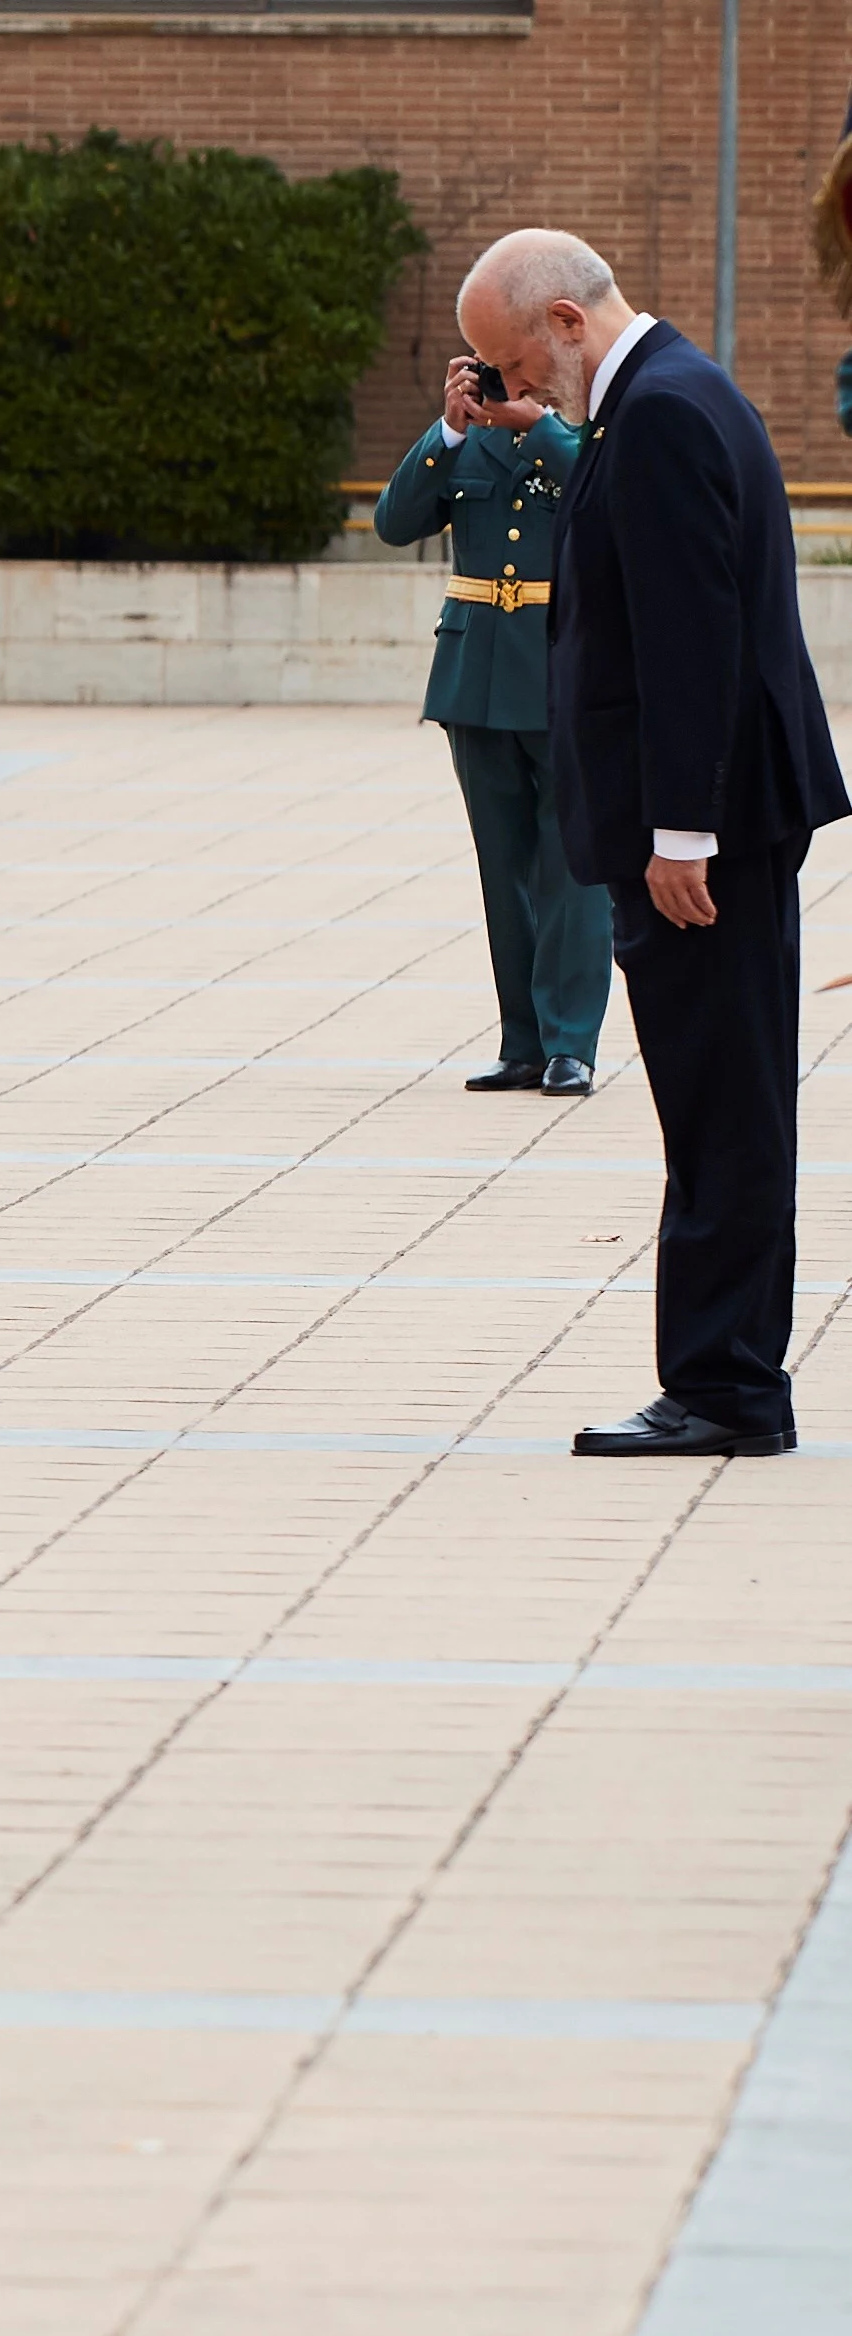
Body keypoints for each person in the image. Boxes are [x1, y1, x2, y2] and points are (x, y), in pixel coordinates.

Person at [457, 229, 849, 1458]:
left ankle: (725, 1388)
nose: (517, 387)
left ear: (567, 321)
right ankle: (720, 1376)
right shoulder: (667, 392)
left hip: (704, 836)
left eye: (515, 361)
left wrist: (681, 828)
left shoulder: (665, 410)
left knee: (719, 1108)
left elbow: (692, 638)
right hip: (712, 822)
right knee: (714, 1103)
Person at [381, 350, 603, 1097]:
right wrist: (446, 431)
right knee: (501, 867)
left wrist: (537, 426)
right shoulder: (461, 440)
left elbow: (605, 500)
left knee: (572, 866)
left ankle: (571, 1042)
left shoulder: (583, 430)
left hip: (559, 670)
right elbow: (393, 522)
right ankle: (524, 1042)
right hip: (474, 678)